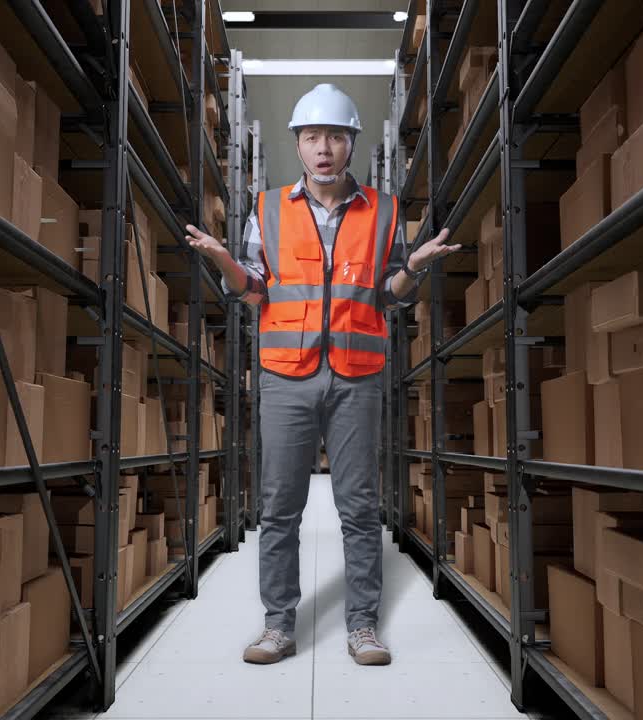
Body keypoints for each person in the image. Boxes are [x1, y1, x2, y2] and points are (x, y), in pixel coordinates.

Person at [185, 84, 459, 666]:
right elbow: (253, 289)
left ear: (351, 142)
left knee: (359, 508)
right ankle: (278, 626)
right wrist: (222, 259)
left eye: (335, 136)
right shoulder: (266, 207)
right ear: (299, 146)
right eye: (313, 138)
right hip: (286, 374)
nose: (324, 148)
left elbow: (389, 295)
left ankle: (362, 625)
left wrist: (413, 266)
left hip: (358, 375)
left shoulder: (384, 211)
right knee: (279, 506)